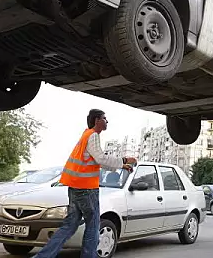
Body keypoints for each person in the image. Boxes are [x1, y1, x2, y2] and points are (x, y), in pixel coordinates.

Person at [33, 109, 137, 258]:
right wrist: (124, 160)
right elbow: (101, 158)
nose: (107, 121)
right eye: (104, 118)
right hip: (87, 189)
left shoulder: (85, 135)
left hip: (75, 188)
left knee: (69, 226)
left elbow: (96, 160)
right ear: (96, 121)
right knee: (93, 226)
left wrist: (120, 166)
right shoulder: (93, 135)